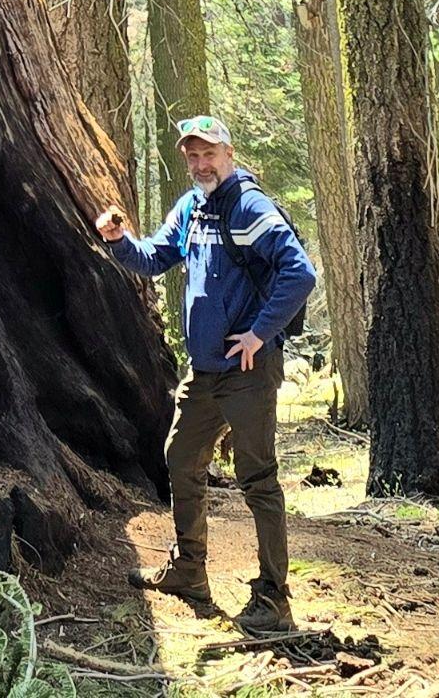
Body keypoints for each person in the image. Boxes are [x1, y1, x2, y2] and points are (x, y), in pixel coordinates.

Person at [95, 113, 316, 635]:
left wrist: (260, 333)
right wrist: (120, 239)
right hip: (204, 371)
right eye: (192, 155)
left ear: (229, 154)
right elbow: (155, 258)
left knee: (258, 479)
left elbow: (300, 272)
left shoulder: (248, 206)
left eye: (208, 153)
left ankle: (274, 600)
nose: (200, 163)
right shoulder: (193, 207)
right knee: (180, 457)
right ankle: (189, 570)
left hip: (247, 371)